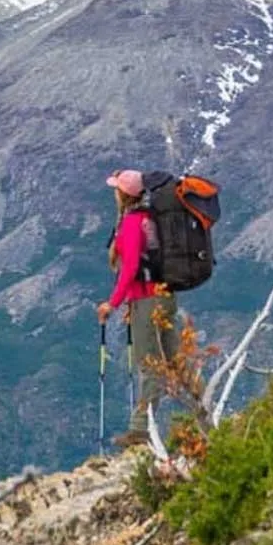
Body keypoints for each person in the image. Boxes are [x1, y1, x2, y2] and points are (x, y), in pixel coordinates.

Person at [97, 168, 178, 448]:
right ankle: (205, 418)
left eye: (116, 189)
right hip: (163, 296)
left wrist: (113, 303)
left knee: (150, 365)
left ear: (124, 194)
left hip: (148, 300)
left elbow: (131, 266)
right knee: (175, 362)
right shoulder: (150, 219)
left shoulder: (132, 223)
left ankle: (140, 430)